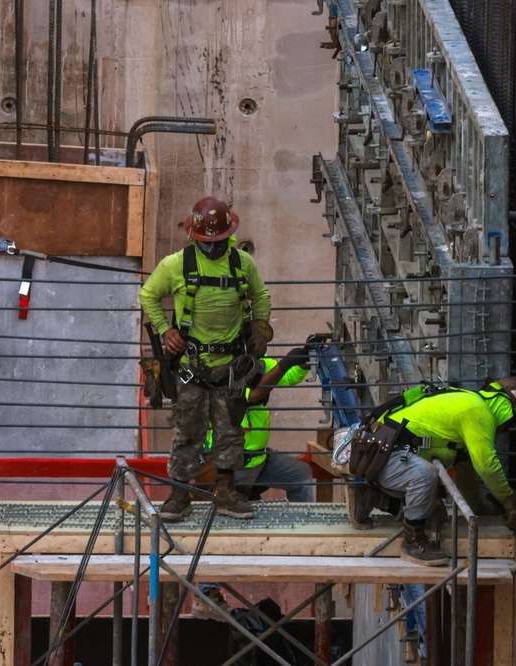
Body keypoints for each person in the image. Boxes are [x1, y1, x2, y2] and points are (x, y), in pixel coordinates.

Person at [139, 196, 273, 521]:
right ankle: (178, 496)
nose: (212, 246)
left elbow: (260, 296)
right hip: (192, 366)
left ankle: (226, 494)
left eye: (218, 240)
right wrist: (164, 330)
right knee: (187, 431)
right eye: (206, 241)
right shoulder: (175, 265)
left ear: (228, 235)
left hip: (231, 366)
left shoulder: (242, 264)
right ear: (193, 237)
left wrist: (259, 330)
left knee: (229, 431)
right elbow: (148, 294)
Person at [347, 377, 516, 566]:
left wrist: (477, 506)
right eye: (508, 424)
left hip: (384, 456)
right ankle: (412, 542)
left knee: (437, 518)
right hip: (384, 457)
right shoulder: (477, 411)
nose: (503, 429)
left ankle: (371, 497)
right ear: (508, 409)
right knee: (426, 475)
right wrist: (509, 500)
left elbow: (465, 469)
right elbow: (486, 466)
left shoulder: (468, 402)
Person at [192, 353, 315, 621]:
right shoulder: (217, 372)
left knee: (300, 475)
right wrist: (286, 362)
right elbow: (250, 396)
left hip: (260, 458)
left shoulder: (256, 364)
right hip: (231, 465)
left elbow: (289, 376)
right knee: (225, 524)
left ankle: (303, 538)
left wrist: (302, 361)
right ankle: (207, 591)